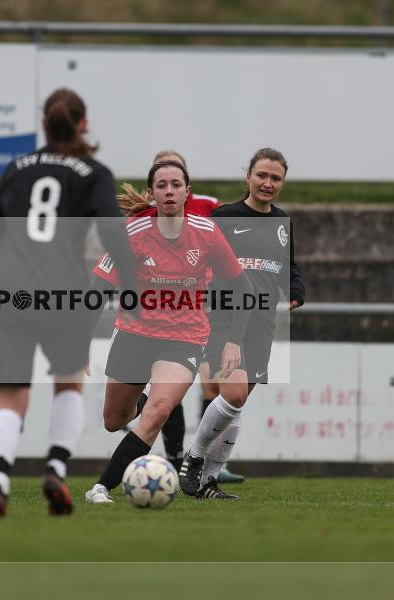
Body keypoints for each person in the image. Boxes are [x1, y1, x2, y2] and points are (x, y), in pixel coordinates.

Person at [0, 88, 137, 517]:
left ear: (44, 123)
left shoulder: (16, 168)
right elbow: (112, 232)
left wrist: (8, 269)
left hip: (8, 291)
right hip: (62, 292)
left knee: (12, 395)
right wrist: (131, 284)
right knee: (68, 383)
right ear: (83, 123)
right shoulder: (94, 172)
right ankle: (55, 469)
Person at [83, 159, 253, 504]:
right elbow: (98, 289)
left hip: (184, 338)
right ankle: (145, 396)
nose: (170, 191)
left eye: (176, 184)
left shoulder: (206, 232)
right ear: (152, 193)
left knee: (158, 412)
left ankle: (100, 488)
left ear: (188, 192)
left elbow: (243, 287)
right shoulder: (131, 233)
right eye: (162, 185)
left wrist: (234, 340)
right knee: (114, 420)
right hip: (134, 334)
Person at [179, 147, 305, 500]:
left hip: (262, 319)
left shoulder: (283, 223)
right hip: (225, 318)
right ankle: (194, 457)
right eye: (262, 175)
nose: (268, 183)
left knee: (236, 404)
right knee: (232, 394)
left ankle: (209, 482)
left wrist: (296, 289)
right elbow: (197, 261)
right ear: (248, 176)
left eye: (276, 178)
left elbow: (287, 266)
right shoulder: (223, 217)